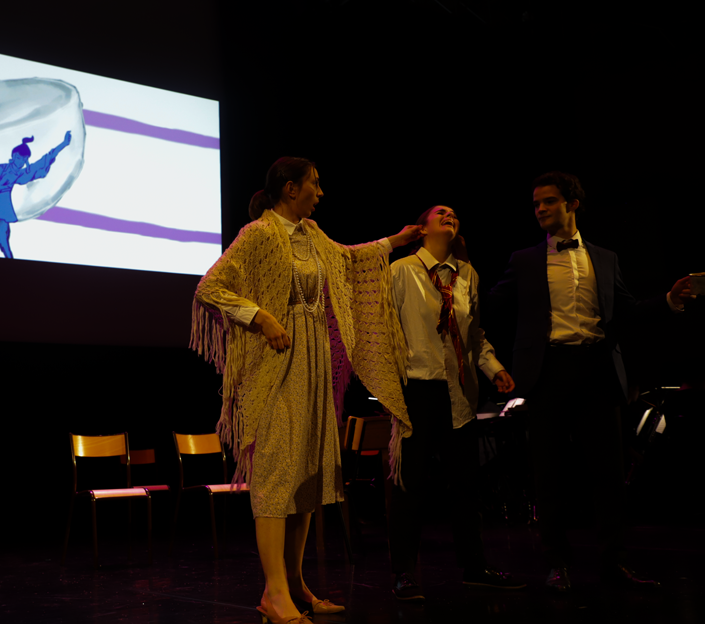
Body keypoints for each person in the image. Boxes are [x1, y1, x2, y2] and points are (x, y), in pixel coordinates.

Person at [191, 157, 421, 624]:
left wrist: (393, 242)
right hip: (276, 366)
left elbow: (349, 259)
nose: (320, 192)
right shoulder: (258, 233)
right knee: (276, 477)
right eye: (314, 184)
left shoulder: (313, 234)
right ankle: (274, 592)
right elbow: (210, 287)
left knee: (307, 478)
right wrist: (259, 316)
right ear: (290, 188)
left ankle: (294, 585)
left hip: (313, 364)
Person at [488, 171, 693, 592]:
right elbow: (490, 305)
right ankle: (556, 563)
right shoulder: (524, 260)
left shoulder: (604, 257)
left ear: (572, 204)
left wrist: (669, 302)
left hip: (597, 369)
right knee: (548, 473)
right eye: (535, 204)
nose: (540, 209)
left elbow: (627, 310)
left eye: (548, 201)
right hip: (548, 374)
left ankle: (613, 563)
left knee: (608, 473)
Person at [387, 205, 524, 601]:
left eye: (454, 213)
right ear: (421, 226)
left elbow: (474, 334)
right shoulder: (401, 271)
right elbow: (384, 330)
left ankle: (474, 566)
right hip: (416, 388)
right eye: (440, 211)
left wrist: (493, 368)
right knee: (409, 484)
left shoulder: (468, 275)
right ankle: (402, 572)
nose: (450, 214)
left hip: (459, 390)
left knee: (465, 483)